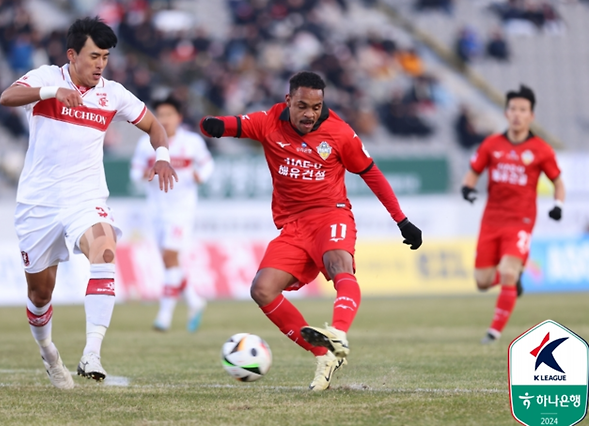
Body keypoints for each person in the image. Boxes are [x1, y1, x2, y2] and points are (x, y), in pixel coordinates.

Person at [199, 71, 423, 391]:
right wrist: (211, 125)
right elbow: (228, 124)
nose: (309, 114)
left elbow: (371, 174)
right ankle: (325, 355)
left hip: (331, 215)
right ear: (288, 100)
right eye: (302, 106)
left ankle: (339, 334)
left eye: (316, 107)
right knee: (262, 290)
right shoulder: (268, 121)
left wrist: (401, 219)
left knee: (338, 265)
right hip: (292, 227)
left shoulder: (340, 133)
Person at [0, 17, 177, 389]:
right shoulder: (47, 77)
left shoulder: (113, 93)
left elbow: (153, 126)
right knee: (40, 293)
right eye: (94, 56)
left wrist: (161, 153)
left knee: (105, 250)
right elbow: (6, 97)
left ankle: (92, 352)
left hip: (86, 196)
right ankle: (49, 354)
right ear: (72, 55)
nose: (100, 64)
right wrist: (50, 93)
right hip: (39, 203)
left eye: (106, 57)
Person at [461, 85, 564, 344]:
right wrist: (467, 188)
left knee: (507, 269)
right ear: (506, 113)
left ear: (532, 115)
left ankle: (493, 333)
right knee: (482, 281)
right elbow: (474, 170)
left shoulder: (541, 149)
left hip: (521, 221)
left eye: (523, 110)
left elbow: (558, 182)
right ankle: (513, 279)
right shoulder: (491, 144)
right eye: (513, 109)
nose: (517, 114)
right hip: (491, 219)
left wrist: (558, 205)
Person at [130, 96, 214, 333]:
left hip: (182, 209)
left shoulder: (192, 142)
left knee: (169, 255)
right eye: (160, 115)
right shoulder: (145, 144)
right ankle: (195, 301)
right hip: (157, 210)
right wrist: (145, 171)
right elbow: (135, 173)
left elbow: (207, 164)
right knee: (170, 261)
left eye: (169, 115)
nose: (164, 120)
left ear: (178, 117)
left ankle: (164, 316)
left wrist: (201, 176)